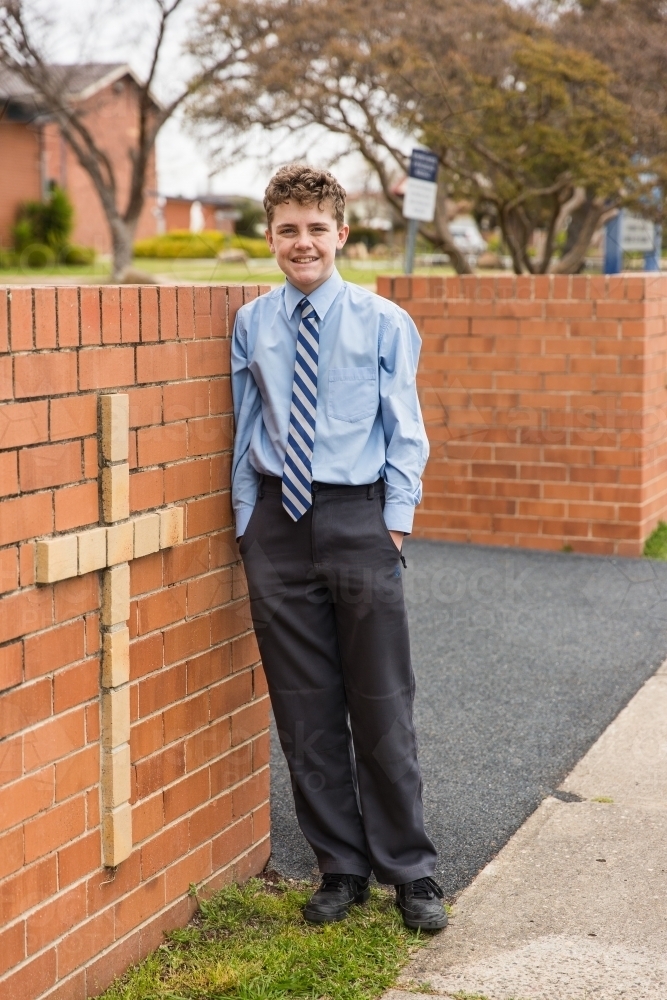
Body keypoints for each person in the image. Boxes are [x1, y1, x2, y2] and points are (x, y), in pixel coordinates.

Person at [231, 164, 446, 931]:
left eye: (316, 228)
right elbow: (243, 423)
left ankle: (410, 871)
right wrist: (245, 521)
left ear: (340, 234)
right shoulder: (252, 322)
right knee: (304, 707)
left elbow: (405, 430)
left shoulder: (384, 322)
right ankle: (340, 867)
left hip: (358, 519)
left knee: (382, 701)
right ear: (270, 236)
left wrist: (393, 523)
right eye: (287, 229)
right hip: (279, 528)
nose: (302, 243)